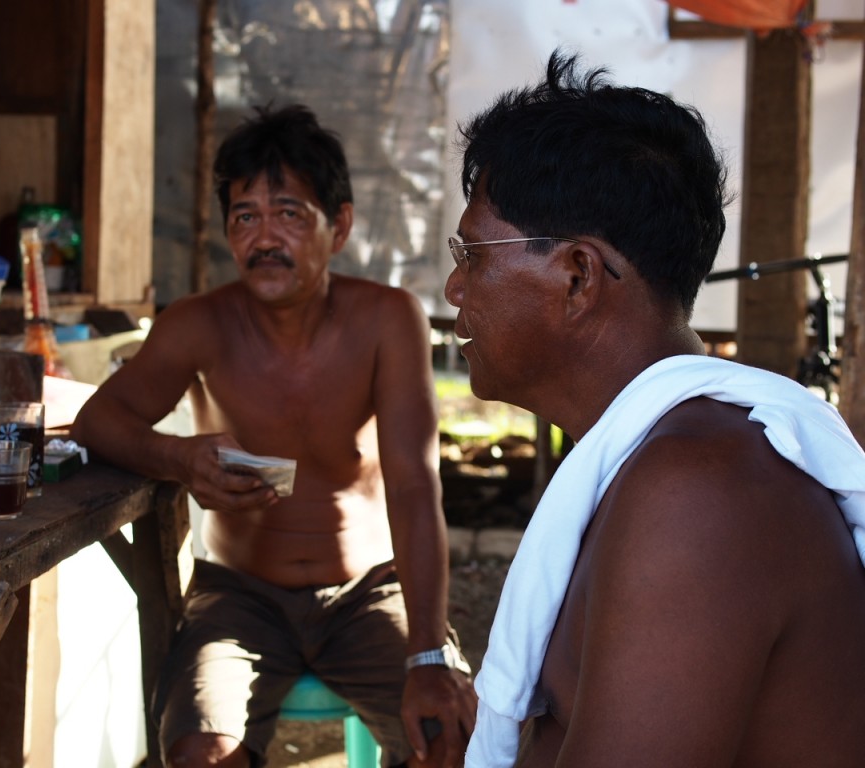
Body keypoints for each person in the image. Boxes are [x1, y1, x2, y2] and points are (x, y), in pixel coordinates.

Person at [443, 50, 865, 768]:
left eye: (473, 254)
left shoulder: (699, 489)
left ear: (577, 275)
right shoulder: (652, 460)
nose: (455, 289)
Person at [70, 103, 476, 767]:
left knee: (450, 741)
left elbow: (412, 481)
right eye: (245, 217)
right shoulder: (198, 324)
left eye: (290, 213)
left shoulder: (386, 320)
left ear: (338, 225)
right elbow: (99, 423)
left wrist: (429, 652)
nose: (265, 237)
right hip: (238, 598)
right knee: (201, 754)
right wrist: (179, 458)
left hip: (371, 592)